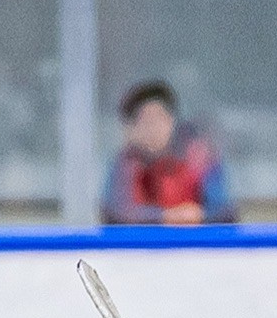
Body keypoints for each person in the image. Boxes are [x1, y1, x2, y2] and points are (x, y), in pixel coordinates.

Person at [101, 82, 235, 225]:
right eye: (145, 121)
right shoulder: (125, 165)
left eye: (160, 118)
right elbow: (118, 211)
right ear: (132, 129)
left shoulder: (199, 158)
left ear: (171, 121)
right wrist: (165, 217)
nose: (154, 129)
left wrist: (198, 215)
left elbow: (225, 210)